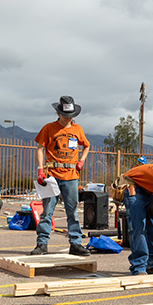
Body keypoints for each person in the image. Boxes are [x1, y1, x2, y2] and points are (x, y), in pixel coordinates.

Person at [31, 96, 90, 256]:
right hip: (52, 176)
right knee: (47, 212)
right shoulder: (48, 128)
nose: (67, 118)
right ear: (59, 113)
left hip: (71, 176)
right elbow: (40, 148)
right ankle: (42, 244)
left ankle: (76, 243)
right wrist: (40, 170)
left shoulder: (77, 130)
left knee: (72, 211)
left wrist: (81, 161)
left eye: (70, 116)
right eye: (65, 115)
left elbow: (86, 146)